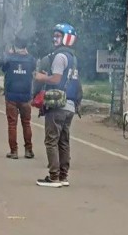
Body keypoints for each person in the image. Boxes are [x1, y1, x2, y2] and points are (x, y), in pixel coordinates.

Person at [33, 23, 82, 188]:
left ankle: (53, 176)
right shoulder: (73, 58)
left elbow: (56, 79)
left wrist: (40, 77)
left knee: (51, 141)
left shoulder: (60, 57)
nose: (55, 38)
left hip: (58, 106)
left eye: (58, 36)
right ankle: (63, 175)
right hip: (70, 106)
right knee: (64, 141)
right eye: (54, 35)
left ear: (67, 38)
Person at [2, 36, 37, 159]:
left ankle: (14, 151)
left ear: (15, 46)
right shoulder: (31, 59)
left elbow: (3, 69)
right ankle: (28, 150)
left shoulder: (9, 59)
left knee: (12, 124)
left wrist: (9, 54)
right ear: (25, 46)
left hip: (11, 96)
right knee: (26, 123)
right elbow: (33, 69)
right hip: (26, 96)